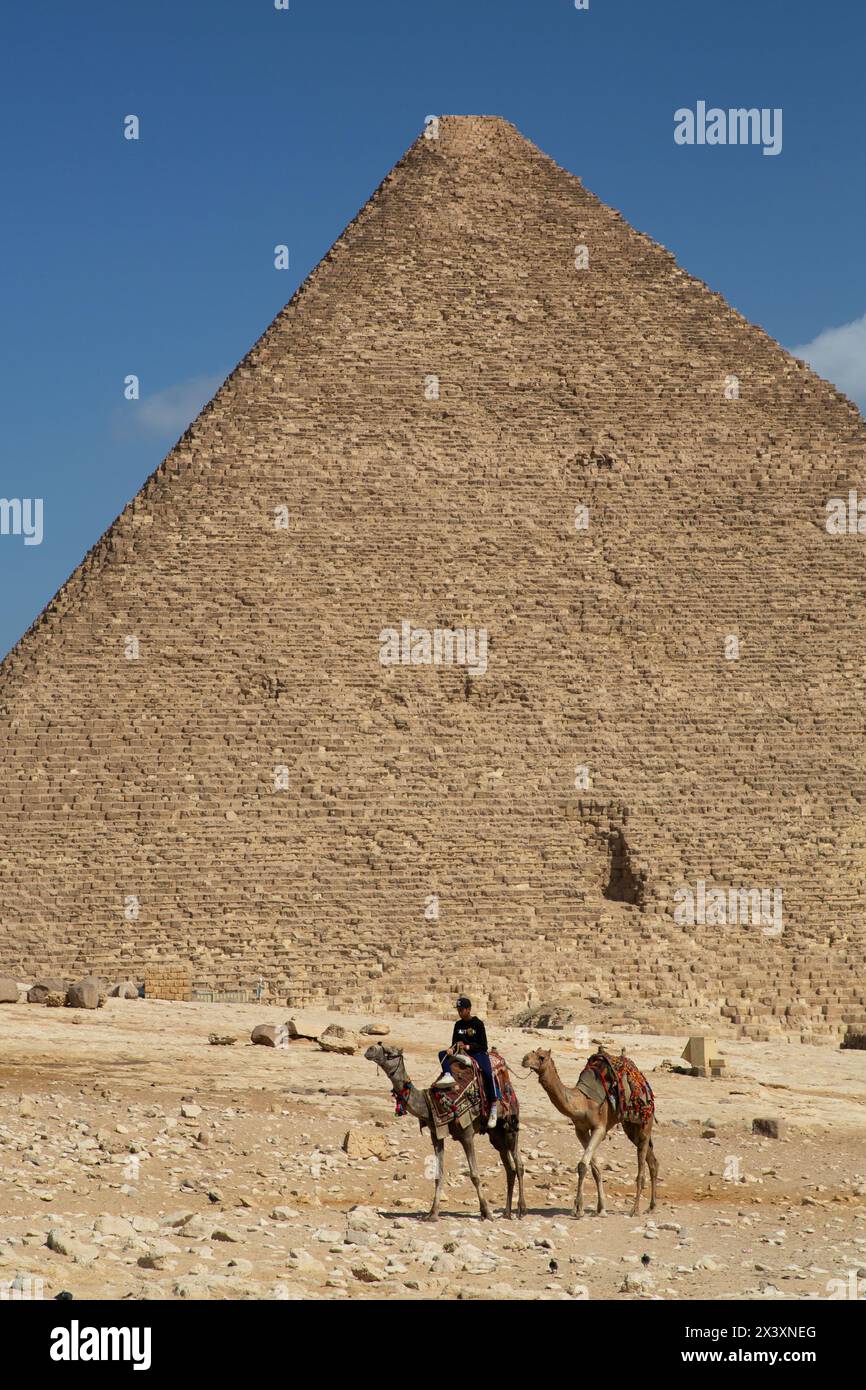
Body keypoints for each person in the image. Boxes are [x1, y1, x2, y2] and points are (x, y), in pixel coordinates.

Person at [436, 995, 500, 1126]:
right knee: (442, 1054)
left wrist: (467, 1046)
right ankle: (448, 1075)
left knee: (488, 1073)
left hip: (478, 1053)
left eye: (461, 1010)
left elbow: (484, 1045)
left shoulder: (478, 1024)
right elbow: (454, 1042)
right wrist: (451, 1049)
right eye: (458, 1010)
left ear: (469, 1009)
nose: (459, 1012)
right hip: (461, 1053)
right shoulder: (457, 1025)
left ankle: (493, 1105)